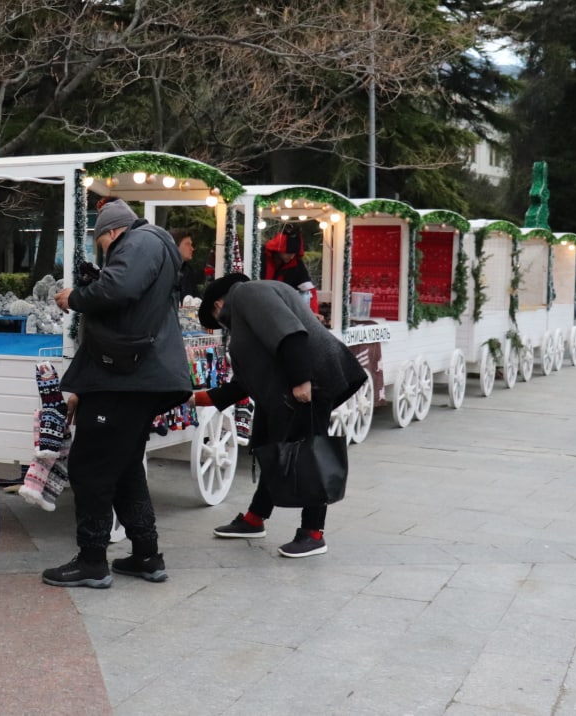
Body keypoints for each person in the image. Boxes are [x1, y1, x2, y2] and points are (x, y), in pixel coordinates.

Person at [47, 199, 192, 587]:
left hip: (127, 379)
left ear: (111, 233)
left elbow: (119, 287)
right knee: (126, 467)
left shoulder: (139, 240)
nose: (106, 253)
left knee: (90, 465)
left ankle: (92, 560)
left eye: (103, 245)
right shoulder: (153, 244)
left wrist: (75, 297)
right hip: (134, 376)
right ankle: (146, 555)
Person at [196, 274, 366, 557]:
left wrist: (301, 380)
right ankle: (255, 518)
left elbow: (291, 333)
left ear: (218, 304)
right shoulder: (251, 298)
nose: (224, 325)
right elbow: (247, 380)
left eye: (219, 320)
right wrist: (200, 398)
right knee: (272, 447)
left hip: (311, 382)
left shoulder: (247, 294)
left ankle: (313, 533)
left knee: (310, 454)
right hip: (291, 387)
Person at [264, 224, 319, 315]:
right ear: (279, 249)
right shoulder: (262, 259)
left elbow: (308, 290)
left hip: (286, 309)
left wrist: (314, 312)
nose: (291, 256)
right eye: (288, 253)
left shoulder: (296, 263)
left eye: (294, 253)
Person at [169, 227, 204, 299]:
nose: (192, 248)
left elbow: (195, 296)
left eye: (191, 244)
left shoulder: (188, 270)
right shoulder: (165, 269)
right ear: (175, 246)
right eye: (187, 244)